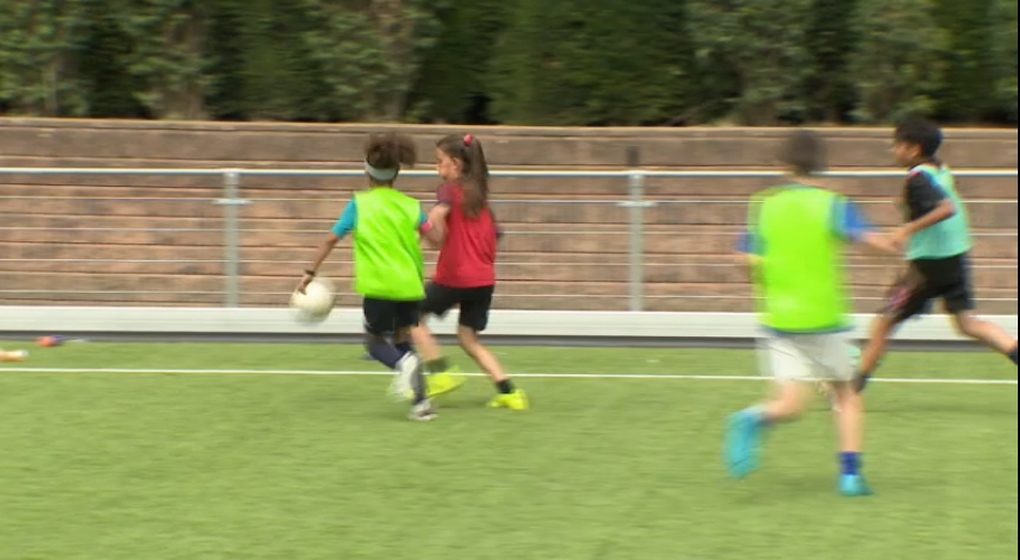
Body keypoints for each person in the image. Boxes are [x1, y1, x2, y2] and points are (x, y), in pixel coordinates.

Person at [725, 130, 896, 497]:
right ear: (821, 163)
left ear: (783, 165)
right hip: (824, 318)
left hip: (779, 320)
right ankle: (851, 476)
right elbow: (872, 242)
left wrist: (763, 276)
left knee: (789, 404)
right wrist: (896, 244)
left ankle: (753, 417)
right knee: (847, 394)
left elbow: (744, 260)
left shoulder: (764, 205)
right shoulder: (832, 204)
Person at [855, 117, 1018, 391]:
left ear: (914, 149)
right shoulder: (940, 170)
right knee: (967, 324)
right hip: (954, 258)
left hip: (926, 267)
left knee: (885, 319)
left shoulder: (917, 178)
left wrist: (906, 230)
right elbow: (941, 201)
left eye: (897, 145)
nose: (893, 150)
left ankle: (852, 386)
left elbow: (945, 209)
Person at [298, 132, 443, 422]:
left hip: (379, 287)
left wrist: (309, 273)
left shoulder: (359, 205)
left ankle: (406, 366)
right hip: (410, 286)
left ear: (367, 171)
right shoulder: (411, 206)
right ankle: (422, 404)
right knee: (404, 342)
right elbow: (437, 240)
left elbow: (330, 240)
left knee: (375, 343)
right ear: (397, 172)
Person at [408, 133, 528, 410]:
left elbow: (435, 222)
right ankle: (510, 392)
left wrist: (418, 236)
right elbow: (491, 236)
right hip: (484, 279)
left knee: (411, 315)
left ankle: (440, 374)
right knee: (468, 338)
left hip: (457, 276)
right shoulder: (480, 198)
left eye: (440, 162)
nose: (437, 168)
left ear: (457, 164)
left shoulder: (450, 190)